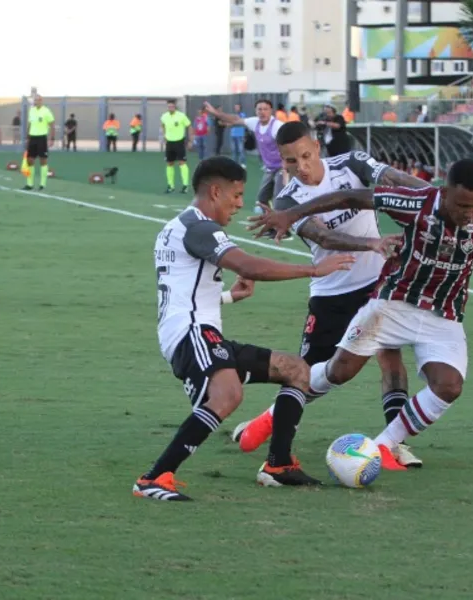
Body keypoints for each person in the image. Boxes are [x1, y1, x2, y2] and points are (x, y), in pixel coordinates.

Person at [248, 159, 473, 471]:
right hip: (393, 305)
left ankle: (383, 444)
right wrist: (292, 213)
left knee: (449, 386)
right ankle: (272, 416)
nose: (468, 213)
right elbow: (352, 198)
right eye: (462, 204)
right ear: (445, 191)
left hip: (444, 315)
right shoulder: (416, 203)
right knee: (338, 372)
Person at [135, 156, 356, 501]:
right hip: (193, 332)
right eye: (236, 195)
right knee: (228, 395)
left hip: (193, 329)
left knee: (297, 370)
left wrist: (227, 298)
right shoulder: (200, 227)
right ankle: (154, 478)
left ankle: (278, 466)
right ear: (215, 191)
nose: (240, 204)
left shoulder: (177, 227)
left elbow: (179, 292)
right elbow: (247, 264)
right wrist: (314, 270)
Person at [230, 121, 432, 468]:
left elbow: (392, 178)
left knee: (390, 357)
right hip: (331, 294)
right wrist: (371, 243)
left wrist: (435, 195)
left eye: (306, 156)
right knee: (308, 372)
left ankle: (393, 444)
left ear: (318, 148)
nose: (301, 167)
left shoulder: (351, 164)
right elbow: (323, 238)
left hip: (377, 284)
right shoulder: (287, 199)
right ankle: (267, 421)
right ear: (282, 161)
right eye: (291, 161)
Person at [203, 99, 285, 211]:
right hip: (270, 168)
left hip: (283, 167)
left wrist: (287, 169)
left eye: (265, 109)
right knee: (261, 203)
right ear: (255, 111)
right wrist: (216, 113)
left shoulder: (277, 127)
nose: (262, 112)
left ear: (271, 111)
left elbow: (290, 146)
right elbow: (235, 119)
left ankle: (284, 224)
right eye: (259, 109)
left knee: (279, 199)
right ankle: (271, 225)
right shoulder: (255, 122)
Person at [160, 99, 192, 194]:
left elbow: (189, 126)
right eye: (169, 106)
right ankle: (170, 186)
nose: (170, 108)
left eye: (172, 106)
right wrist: (164, 135)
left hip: (179, 142)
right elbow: (162, 125)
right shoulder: (164, 116)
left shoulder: (181, 116)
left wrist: (191, 140)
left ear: (175, 107)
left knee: (182, 163)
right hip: (169, 142)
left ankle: (185, 185)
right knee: (169, 163)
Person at [24, 95, 54, 190]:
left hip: (42, 137)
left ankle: (42, 184)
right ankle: (30, 184)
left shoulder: (46, 111)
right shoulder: (32, 110)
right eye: (35, 100)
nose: (36, 102)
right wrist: (27, 137)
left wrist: (52, 138)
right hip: (32, 137)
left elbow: (52, 124)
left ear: (41, 101)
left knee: (43, 160)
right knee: (30, 160)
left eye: (37, 100)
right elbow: (29, 124)